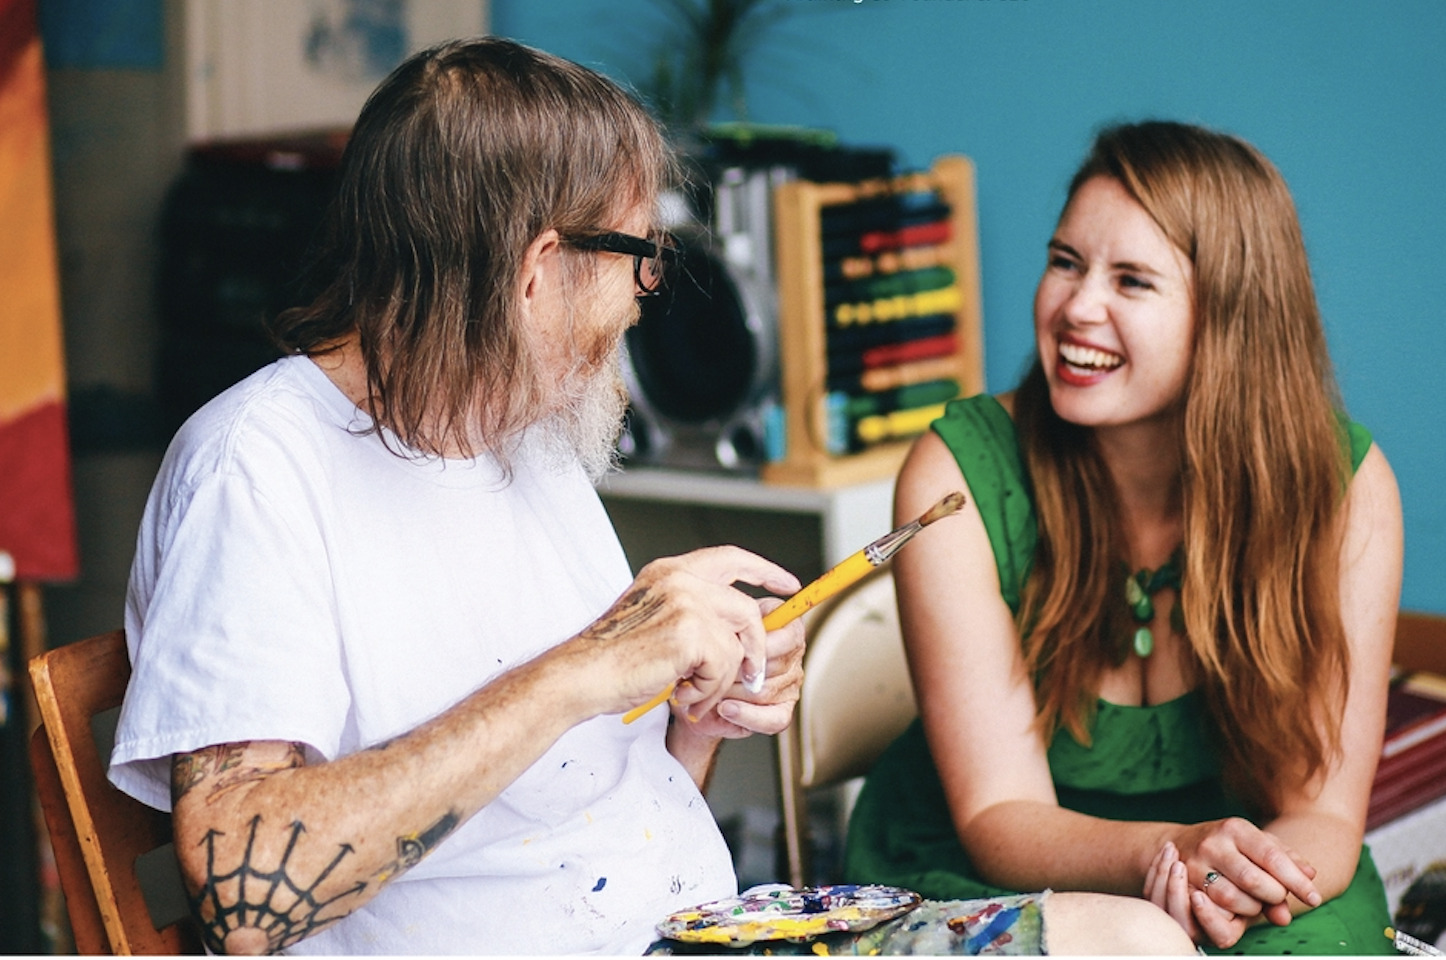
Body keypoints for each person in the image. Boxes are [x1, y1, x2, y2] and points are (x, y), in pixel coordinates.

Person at [108, 38, 1194, 956]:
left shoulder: (523, 431)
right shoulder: (257, 468)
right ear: (538, 270)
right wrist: (586, 667)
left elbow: (592, 796)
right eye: (637, 252)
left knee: (1139, 939)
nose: (646, 293)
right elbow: (244, 898)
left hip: (694, 927)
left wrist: (694, 714)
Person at [843, 119, 1405, 955]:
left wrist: (1241, 892)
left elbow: (1321, 812)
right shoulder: (954, 475)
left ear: (1233, 316)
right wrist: (1169, 856)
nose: (1076, 307)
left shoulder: (1344, 487)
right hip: (993, 873)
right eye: (1065, 262)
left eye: (1132, 281)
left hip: (1249, 872)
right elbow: (999, 816)